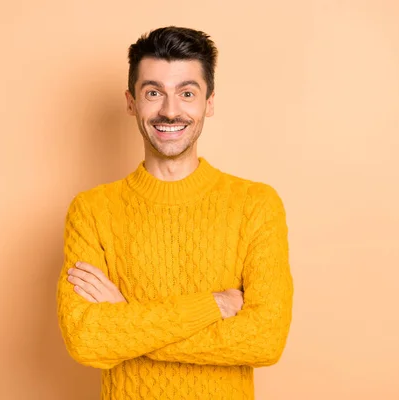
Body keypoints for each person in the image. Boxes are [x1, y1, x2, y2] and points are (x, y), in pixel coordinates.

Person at [57, 26, 293, 400]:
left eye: (187, 93)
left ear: (209, 103)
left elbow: (265, 340)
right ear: (131, 102)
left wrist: (128, 320)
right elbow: (87, 340)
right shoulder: (91, 211)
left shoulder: (255, 204)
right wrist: (214, 304)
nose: (170, 110)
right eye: (153, 92)